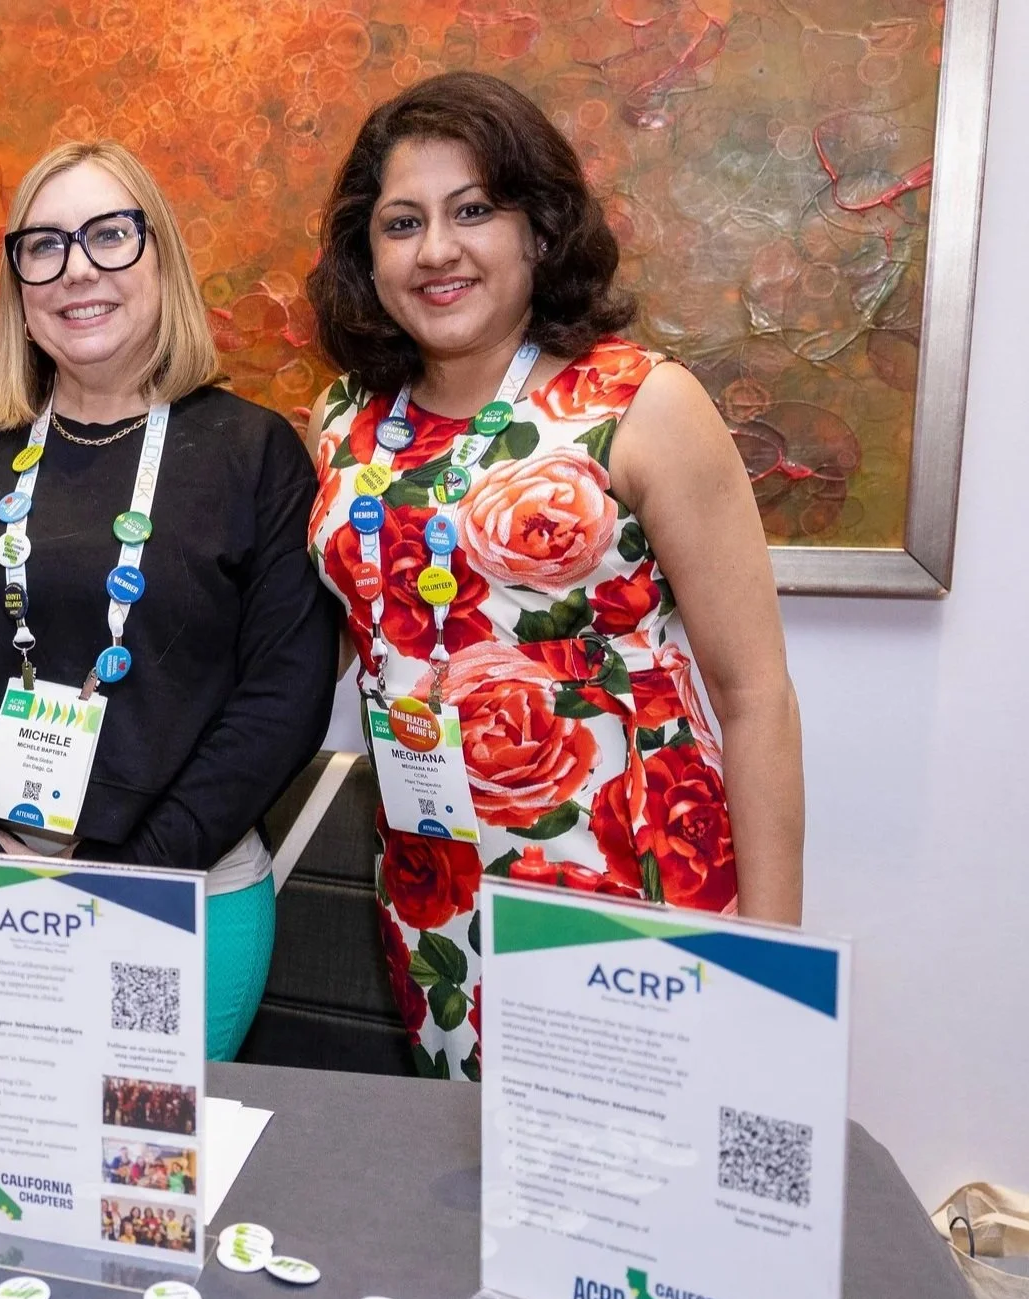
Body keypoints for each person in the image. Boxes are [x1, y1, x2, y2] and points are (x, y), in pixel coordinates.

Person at [303, 73, 804, 1080]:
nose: (436, 249)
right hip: (432, 878)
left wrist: (772, 962)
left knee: (636, 1203)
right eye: (402, 222)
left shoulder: (645, 404)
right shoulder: (344, 419)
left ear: (537, 229)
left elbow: (754, 696)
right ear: (369, 253)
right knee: (482, 1192)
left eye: (472, 210)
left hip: (628, 871)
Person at [0, 138, 341, 1060]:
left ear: (160, 256)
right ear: (19, 282)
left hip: (183, 905)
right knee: (1, 1187)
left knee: (144, 1200)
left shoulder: (253, 455)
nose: (76, 269)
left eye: (110, 236)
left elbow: (285, 695)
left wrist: (133, 880)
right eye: (43, 246)